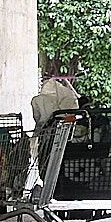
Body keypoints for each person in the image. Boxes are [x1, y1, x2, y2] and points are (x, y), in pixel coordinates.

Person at [26, 61, 84, 197]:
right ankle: (53, 188)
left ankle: (53, 187)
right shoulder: (65, 100)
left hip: (52, 132)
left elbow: (40, 117)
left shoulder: (46, 101)